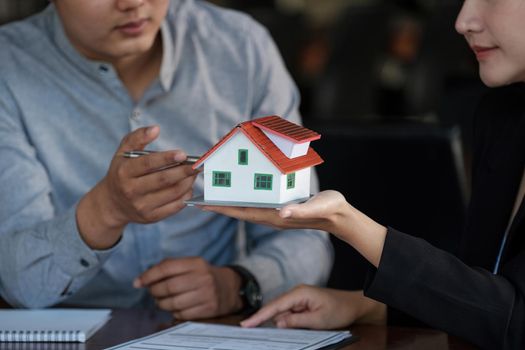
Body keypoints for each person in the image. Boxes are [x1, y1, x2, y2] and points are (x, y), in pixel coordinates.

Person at [203, 0, 525, 348]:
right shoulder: (505, 116)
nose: (463, 22)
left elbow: (516, 323)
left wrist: (347, 222)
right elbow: (480, 298)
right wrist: (360, 305)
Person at [0, 0, 333, 319]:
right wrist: (107, 209)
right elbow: (17, 281)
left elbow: (304, 231)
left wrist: (237, 285)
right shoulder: (8, 68)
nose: (132, 3)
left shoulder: (241, 47)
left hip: (220, 331)